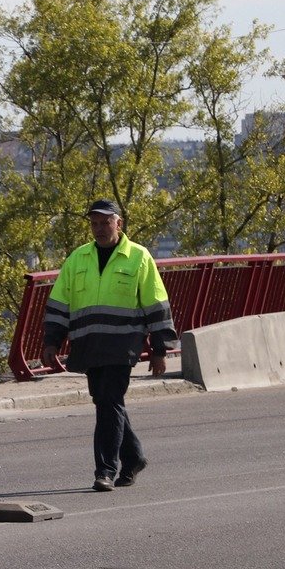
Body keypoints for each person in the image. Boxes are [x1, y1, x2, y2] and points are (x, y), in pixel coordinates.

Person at [41, 199, 176, 492]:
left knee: (108, 400)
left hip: (122, 344)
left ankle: (105, 470)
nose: (99, 229)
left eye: (105, 222)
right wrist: (51, 341)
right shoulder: (78, 258)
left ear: (119, 224)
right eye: (94, 223)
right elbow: (59, 303)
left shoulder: (138, 257)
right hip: (89, 345)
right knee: (105, 401)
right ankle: (134, 457)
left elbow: (156, 304)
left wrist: (159, 349)